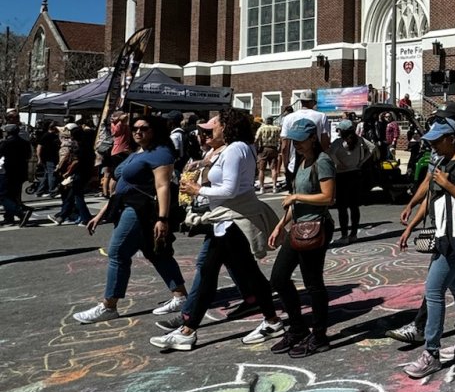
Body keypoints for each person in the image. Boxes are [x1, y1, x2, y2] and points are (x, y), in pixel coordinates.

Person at [151, 109, 284, 351]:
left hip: (232, 219)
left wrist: (197, 189)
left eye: (213, 127)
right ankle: (271, 321)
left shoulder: (235, 149)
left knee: (211, 272)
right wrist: (204, 162)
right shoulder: (239, 147)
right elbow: (223, 168)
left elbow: (230, 189)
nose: (208, 131)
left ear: (226, 127)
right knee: (243, 273)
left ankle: (188, 331)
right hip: (225, 220)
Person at [74, 115, 188, 324]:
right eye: (134, 128)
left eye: (144, 128)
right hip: (125, 204)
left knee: (118, 252)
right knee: (155, 253)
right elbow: (123, 185)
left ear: (155, 130)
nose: (137, 132)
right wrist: (101, 214)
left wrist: (162, 218)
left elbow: (163, 187)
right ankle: (180, 295)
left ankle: (109, 305)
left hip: (140, 209)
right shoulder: (140, 151)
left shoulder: (160, 152)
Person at [398, 117, 455, 378]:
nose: (432, 144)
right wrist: (411, 225)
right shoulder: (442, 163)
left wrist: (447, 184)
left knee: (433, 291)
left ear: (451, 139)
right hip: (444, 233)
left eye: (436, 140)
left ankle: (431, 352)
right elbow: (433, 199)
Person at [267, 118, 336, 358]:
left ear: (313, 138)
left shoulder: (323, 161)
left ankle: (319, 336)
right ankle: (297, 328)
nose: (295, 144)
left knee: (313, 283)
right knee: (278, 278)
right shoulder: (302, 162)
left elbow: (328, 197)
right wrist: (279, 226)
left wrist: (297, 198)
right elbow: (293, 201)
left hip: (316, 227)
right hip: (297, 226)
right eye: (293, 140)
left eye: (300, 140)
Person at [329, 119, 374, 244]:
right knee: (354, 206)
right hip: (355, 173)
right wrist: (362, 161)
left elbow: (330, 154)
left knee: (342, 207)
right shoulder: (359, 140)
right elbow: (372, 148)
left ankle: (344, 235)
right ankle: (353, 234)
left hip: (342, 175)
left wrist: (338, 163)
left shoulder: (338, 142)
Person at [278, 91, 330, 193]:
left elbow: (284, 146)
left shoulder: (288, 118)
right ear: (313, 102)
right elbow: (325, 142)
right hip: (315, 161)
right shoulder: (321, 116)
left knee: (294, 193)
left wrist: (285, 164)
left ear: (301, 102)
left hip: (294, 162)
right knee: (314, 192)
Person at [255, 116, 282, 193]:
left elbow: (256, 139)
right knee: (273, 168)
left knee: (261, 169)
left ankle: (262, 187)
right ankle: (274, 186)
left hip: (264, 149)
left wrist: (257, 149)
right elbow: (281, 139)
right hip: (274, 149)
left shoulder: (261, 128)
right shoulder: (277, 129)